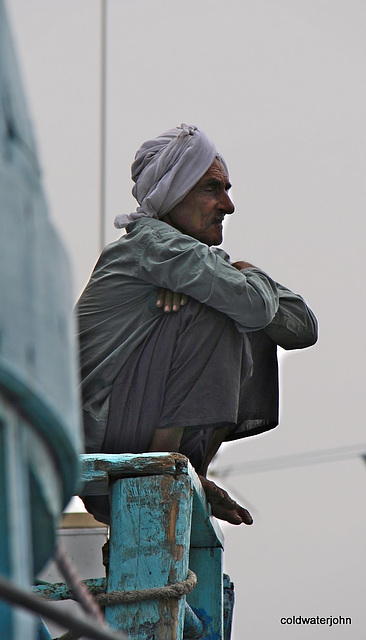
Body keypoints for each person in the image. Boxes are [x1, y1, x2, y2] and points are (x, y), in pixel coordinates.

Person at [77, 123, 318, 526]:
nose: (228, 205)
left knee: (230, 306)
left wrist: (244, 271)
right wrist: (240, 284)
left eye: (226, 189)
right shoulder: (153, 244)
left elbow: (303, 328)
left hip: (127, 428)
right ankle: (164, 468)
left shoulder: (191, 262)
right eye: (212, 189)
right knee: (222, 310)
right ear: (173, 194)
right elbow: (257, 307)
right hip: (100, 436)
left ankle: (190, 468)